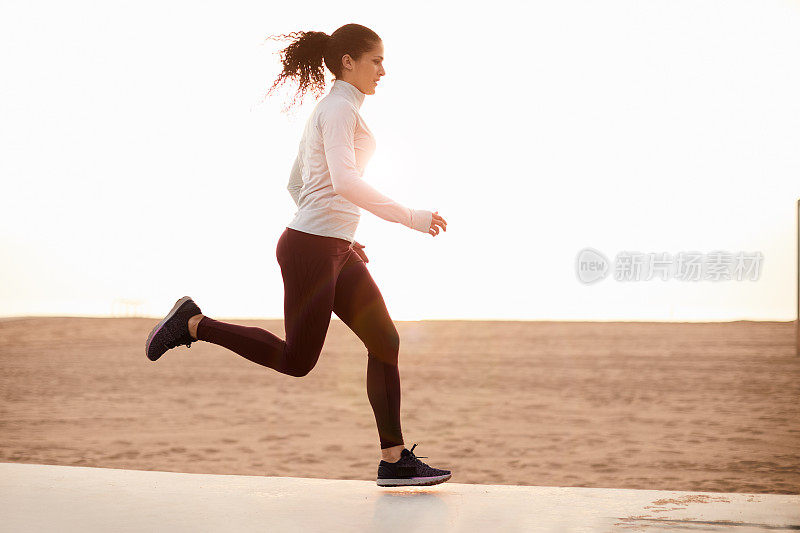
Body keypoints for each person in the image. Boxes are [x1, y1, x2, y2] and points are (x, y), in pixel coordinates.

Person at [144, 23, 451, 487]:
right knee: (297, 361)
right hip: (310, 250)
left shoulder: (335, 110)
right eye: (376, 60)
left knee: (385, 341)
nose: (383, 71)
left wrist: (341, 234)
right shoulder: (338, 109)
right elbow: (345, 183)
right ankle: (192, 324)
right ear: (348, 61)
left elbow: (297, 185)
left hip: (331, 248)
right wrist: (411, 216)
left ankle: (394, 459)